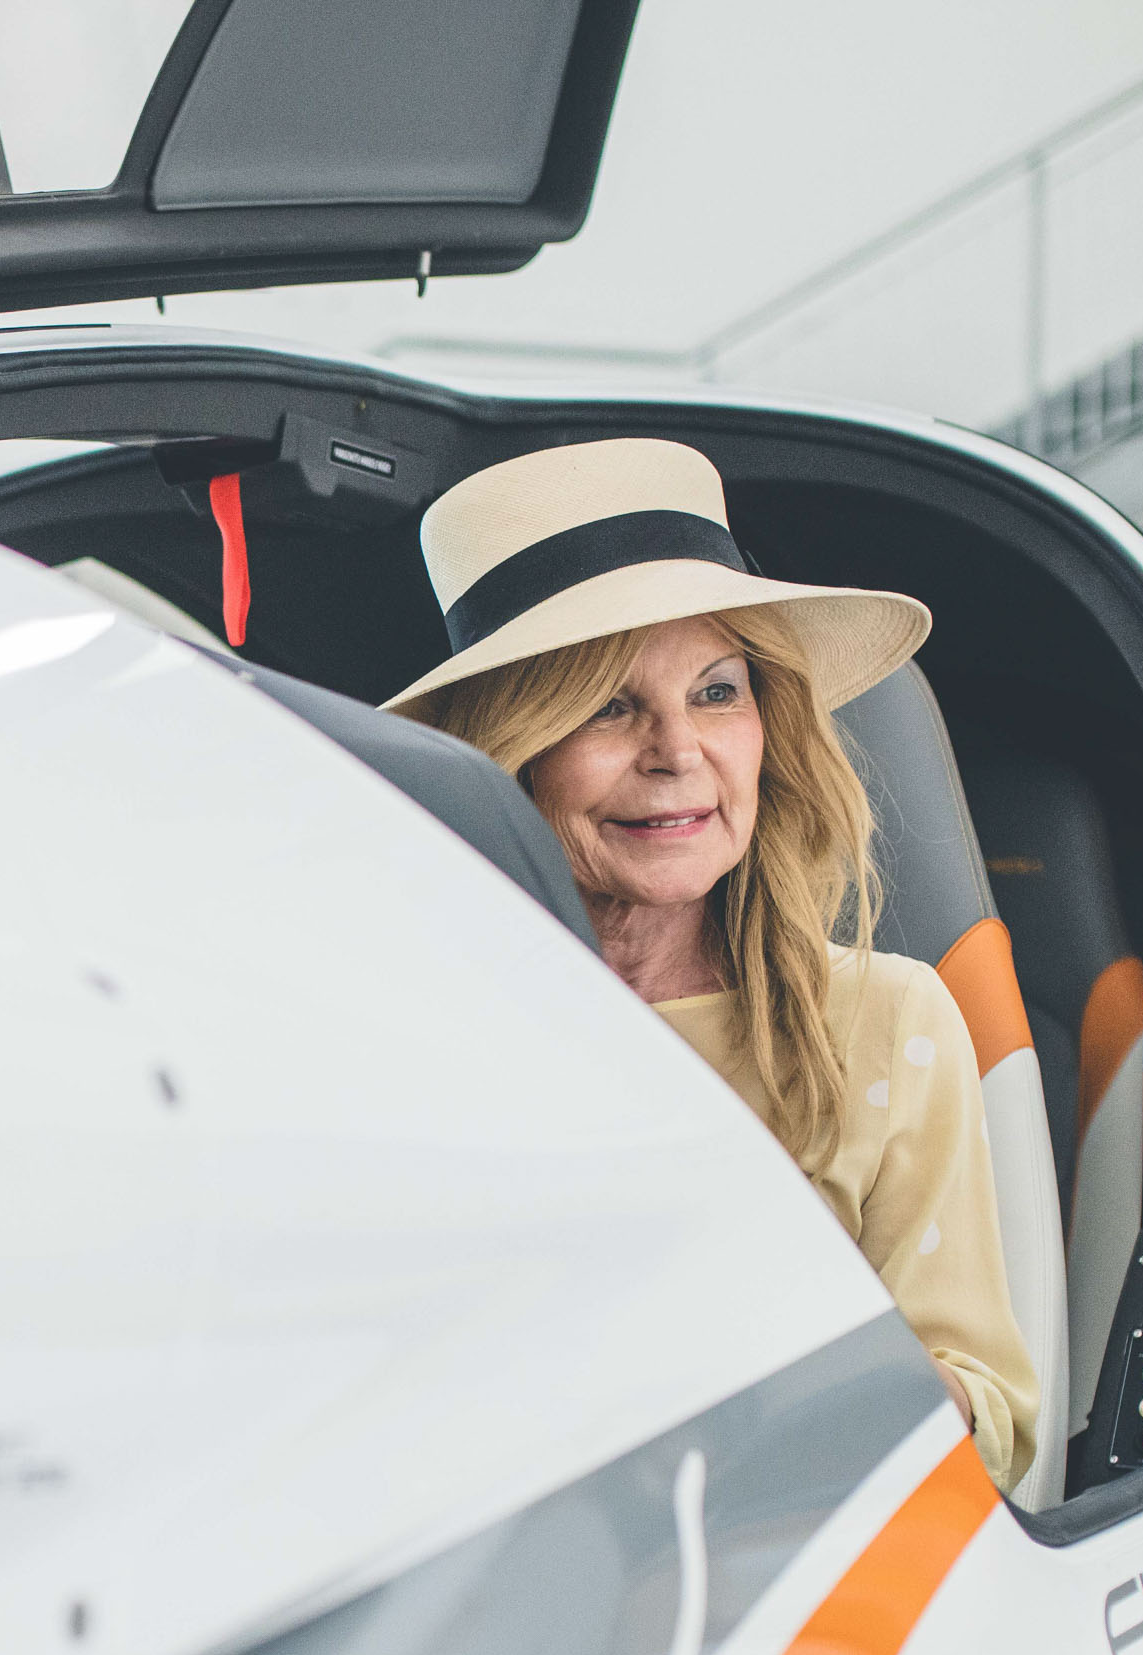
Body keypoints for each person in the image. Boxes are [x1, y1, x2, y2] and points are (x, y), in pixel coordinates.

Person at [388, 439, 1043, 1494]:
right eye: (608, 705)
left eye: (717, 691)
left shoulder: (885, 1021)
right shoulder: (416, 1041)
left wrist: (812, 1379)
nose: (678, 751)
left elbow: (994, 1424)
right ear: (509, 748)